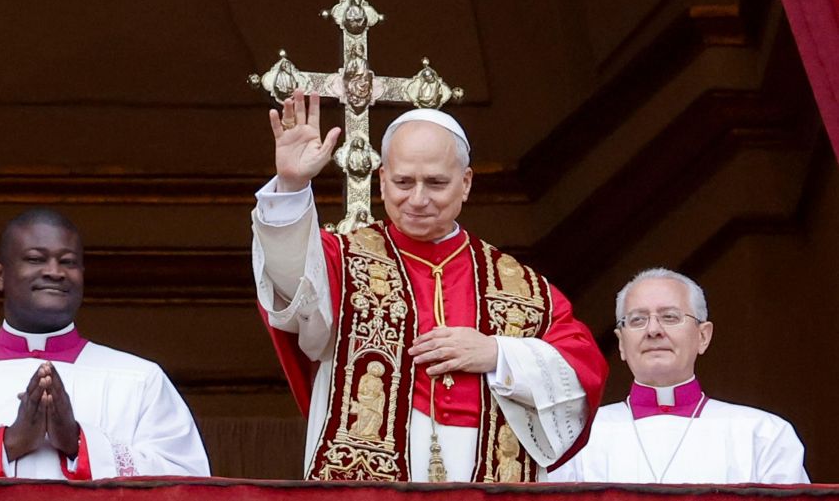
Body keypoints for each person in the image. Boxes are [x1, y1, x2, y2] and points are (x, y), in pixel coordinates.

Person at [251, 89, 608, 482]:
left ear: (466, 183)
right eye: (403, 182)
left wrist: (498, 354)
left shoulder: (521, 288)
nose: (418, 199)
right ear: (382, 180)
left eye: (436, 183)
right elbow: (292, 283)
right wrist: (291, 187)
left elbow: (583, 373)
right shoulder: (342, 260)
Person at [0, 209, 210, 479]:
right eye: (35, 259)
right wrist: (8, 444)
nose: (55, 271)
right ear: (0, 275)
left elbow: (186, 481)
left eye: (68, 262)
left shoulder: (141, 379)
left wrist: (79, 442)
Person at [549, 268, 809, 484]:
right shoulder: (576, 439)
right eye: (637, 320)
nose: (653, 330)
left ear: (703, 336)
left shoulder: (763, 434)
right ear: (621, 343)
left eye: (670, 317)